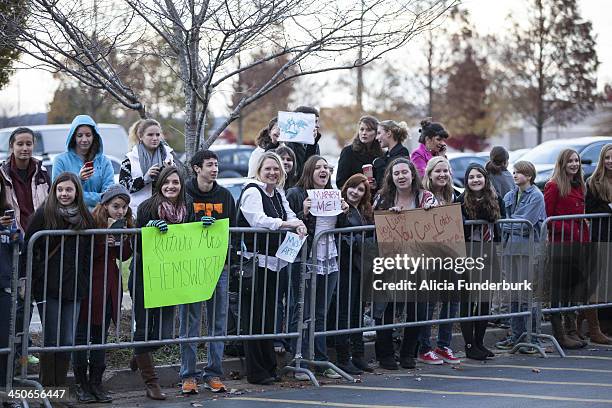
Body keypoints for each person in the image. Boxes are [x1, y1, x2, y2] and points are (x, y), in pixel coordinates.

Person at [129, 166, 203, 400]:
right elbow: (137, 248)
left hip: (171, 279)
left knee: (162, 333)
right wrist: (147, 231)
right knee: (143, 329)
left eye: (176, 182)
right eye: (166, 182)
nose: (171, 186)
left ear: (181, 185)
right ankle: (152, 384)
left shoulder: (189, 207)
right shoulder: (146, 207)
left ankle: (139, 352)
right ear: (159, 184)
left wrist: (204, 226)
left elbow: (192, 242)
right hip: (145, 277)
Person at [237, 152, 306, 385]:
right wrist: (288, 224)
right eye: (268, 169)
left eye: (276, 169)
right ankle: (256, 371)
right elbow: (258, 220)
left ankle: (269, 367)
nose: (272, 173)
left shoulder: (277, 192)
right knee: (254, 318)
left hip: (276, 262)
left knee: (268, 317)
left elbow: (289, 213)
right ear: (258, 170)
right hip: (255, 263)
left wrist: (298, 223)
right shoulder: (252, 191)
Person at [23, 172, 94, 387]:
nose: (64, 193)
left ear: (76, 192)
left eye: (69, 189)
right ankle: (49, 391)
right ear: (54, 191)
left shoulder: (85, 217)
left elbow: (88, 253)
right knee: (51, 340)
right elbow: (30, 246)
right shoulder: (44, 214)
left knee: (67, 341)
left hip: (74, 287)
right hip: (49, 286)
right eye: (60, 189)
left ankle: (60, 388)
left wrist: (83, 278)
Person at [286, 155, 349, 380]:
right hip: (304, 258)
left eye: (326, 167)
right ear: (309, 171)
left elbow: (343, 228)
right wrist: (303, 213)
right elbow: (288, 224)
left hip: (329, 258)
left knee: (321, 311)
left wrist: (344, 211)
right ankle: (298, 359)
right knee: (301, 309)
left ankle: (320, 360)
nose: (324, 170)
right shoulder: (296, 194)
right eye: (319, 167)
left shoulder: (334, 194)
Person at [179, 150, 236, 394]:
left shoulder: (224, 195)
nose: (215, 168)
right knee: (190, 322)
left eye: (216, 164)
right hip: (191, 265)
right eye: (209, 165)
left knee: (218, 323)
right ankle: (188, 375)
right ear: (196, 168)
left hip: (217, 266)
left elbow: (233, 228)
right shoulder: (185, 193)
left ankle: (213, 373)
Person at [373, 157, 437, 370]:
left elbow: (438, 219)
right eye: (396, 173)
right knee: (387, 309)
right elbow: (372, 221)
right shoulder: (383, 198)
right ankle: (385, 354)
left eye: (404, 172)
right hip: (391, 261)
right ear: (391, 177)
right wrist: (387, 217)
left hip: (420, 262)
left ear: (412, 174)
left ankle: (409, 352)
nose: (401, 176)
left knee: (417, 309)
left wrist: (430, 210)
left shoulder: (425, 196)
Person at [73, 185, 134, 403]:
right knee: (81, 336)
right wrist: (102, 242)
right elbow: (82, 254)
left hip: (109, 286)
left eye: (124, 207)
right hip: (89, 286)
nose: (120, 211)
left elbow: (124, 256)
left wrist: (122, 238)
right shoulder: (91, 223)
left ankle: (97, 383)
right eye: (116, 206)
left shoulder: (122, 224)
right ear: (105, 205)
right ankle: (81, 384)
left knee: (100, 337)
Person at [495, 161, 547, 352]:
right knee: (514, 295)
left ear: (529, 176)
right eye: (514, 172)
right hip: (511, 249)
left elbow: (526, 225)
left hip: (528, 250)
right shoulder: (509, 195)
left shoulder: (536, 196)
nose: (515, 175)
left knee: (526, 295)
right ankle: (517, 336)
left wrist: (506, 224)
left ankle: (531, 337)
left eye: (519, 173)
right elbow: (507, 223)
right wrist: (509, 224)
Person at [456, 163, 505, 360]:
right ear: (467, 182)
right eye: (471, 177)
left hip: (488, 252)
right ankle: (469, 344)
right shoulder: (462, 201)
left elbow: (499, 220)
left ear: (485, 178)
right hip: (469, 254)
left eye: (479, 176)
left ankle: (480, 342)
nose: (475, 180)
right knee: (468, 301)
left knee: (485, 300)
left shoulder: (495, 198)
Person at [544, 149, 589, 350]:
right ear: (562, 163)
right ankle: (560, 334)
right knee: (558, 290)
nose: (574, 164)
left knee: (573, 288)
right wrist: (570, 230)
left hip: (578, 245)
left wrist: (584, 238)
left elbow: (582, 217)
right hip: (560, 245)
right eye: (570, 161)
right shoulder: (553, 186)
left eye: (576, 160)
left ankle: (572, 330)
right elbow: (548, 218)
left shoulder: (580, 185)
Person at [419, 157, 461, 364]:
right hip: (428, 257)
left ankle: (444, 345)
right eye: (438, 171)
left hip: (451, 256)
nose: (442, 175)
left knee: (451, 301)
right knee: (429, 302)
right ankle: (424, 347)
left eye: (446, 171)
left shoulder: (454, 195)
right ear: (429, 174)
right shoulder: (421, 195)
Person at [334, 174, 375, 374]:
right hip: (344, 266)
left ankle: (358, 355)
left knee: (357, 312)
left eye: (360, 190)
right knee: (344, 311)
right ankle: (343, 357)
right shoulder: (340, 208)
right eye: (353, 187)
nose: (355, 192)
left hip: (361, 267)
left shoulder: (365, 211)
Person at [580, 144, 612, 344]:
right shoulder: (593, 181)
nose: (610, 161)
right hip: (602, 236)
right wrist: (608, 208)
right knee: (600, 283)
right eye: (607, 157)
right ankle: (598, 326)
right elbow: (589, 209)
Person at [52, 115, 114, 208]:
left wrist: (76, 195)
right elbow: (59, 193)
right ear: (73, 137)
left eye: (88, 135)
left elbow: (108, 196)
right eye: (79, 135)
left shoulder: (104, 162)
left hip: (98, 218)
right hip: (70, 218)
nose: (84, 139)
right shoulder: (60, 161)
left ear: (94, 136)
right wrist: (79, 180)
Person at [120, 119, 177, 216]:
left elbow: (177, 183)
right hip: (137, 212)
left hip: (165, 211)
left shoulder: (169, 156)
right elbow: (123, 187)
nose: (155, 138)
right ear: (141, 136)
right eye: (150, 135)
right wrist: (145, 179)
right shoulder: (130, 158)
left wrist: (168, 173)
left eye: (158, 135)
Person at [0, 127, 51, 232]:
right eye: (20, 144)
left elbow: (52, 202)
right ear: (11, 146)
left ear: (33, 145)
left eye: (28, 144)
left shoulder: (43, 172)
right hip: (12, 238)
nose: (25, 148)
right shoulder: (2, 174)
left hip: (40, 235)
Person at [0, 178, 22, 408]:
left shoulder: (7, 215)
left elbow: (20, 241)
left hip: (3, 288)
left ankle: (5, 394)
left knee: (5, 345)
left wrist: (16, 235)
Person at [335, 116, 383, 190]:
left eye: (369, 130)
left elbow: (385, 183)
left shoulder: (382, 154)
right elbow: (340, 182)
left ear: (376, 133)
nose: (364, 133)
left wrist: (376, 185)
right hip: (354, 197)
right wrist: (360, 186)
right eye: (362, 129)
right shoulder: (348, 152)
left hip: (374, 198)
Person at [372, 120, 410, 190]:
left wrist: (380, 166)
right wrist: (376, 183)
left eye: (379, 133)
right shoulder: (386, 155)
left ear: (389, 133)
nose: (376, 138)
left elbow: (392, 179)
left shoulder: (402, 152)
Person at [286, 106, 321, 178]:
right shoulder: (288, 145)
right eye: (315, 121)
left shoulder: (315, 144)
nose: (318, 126)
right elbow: (300, 173)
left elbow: (311, 170)